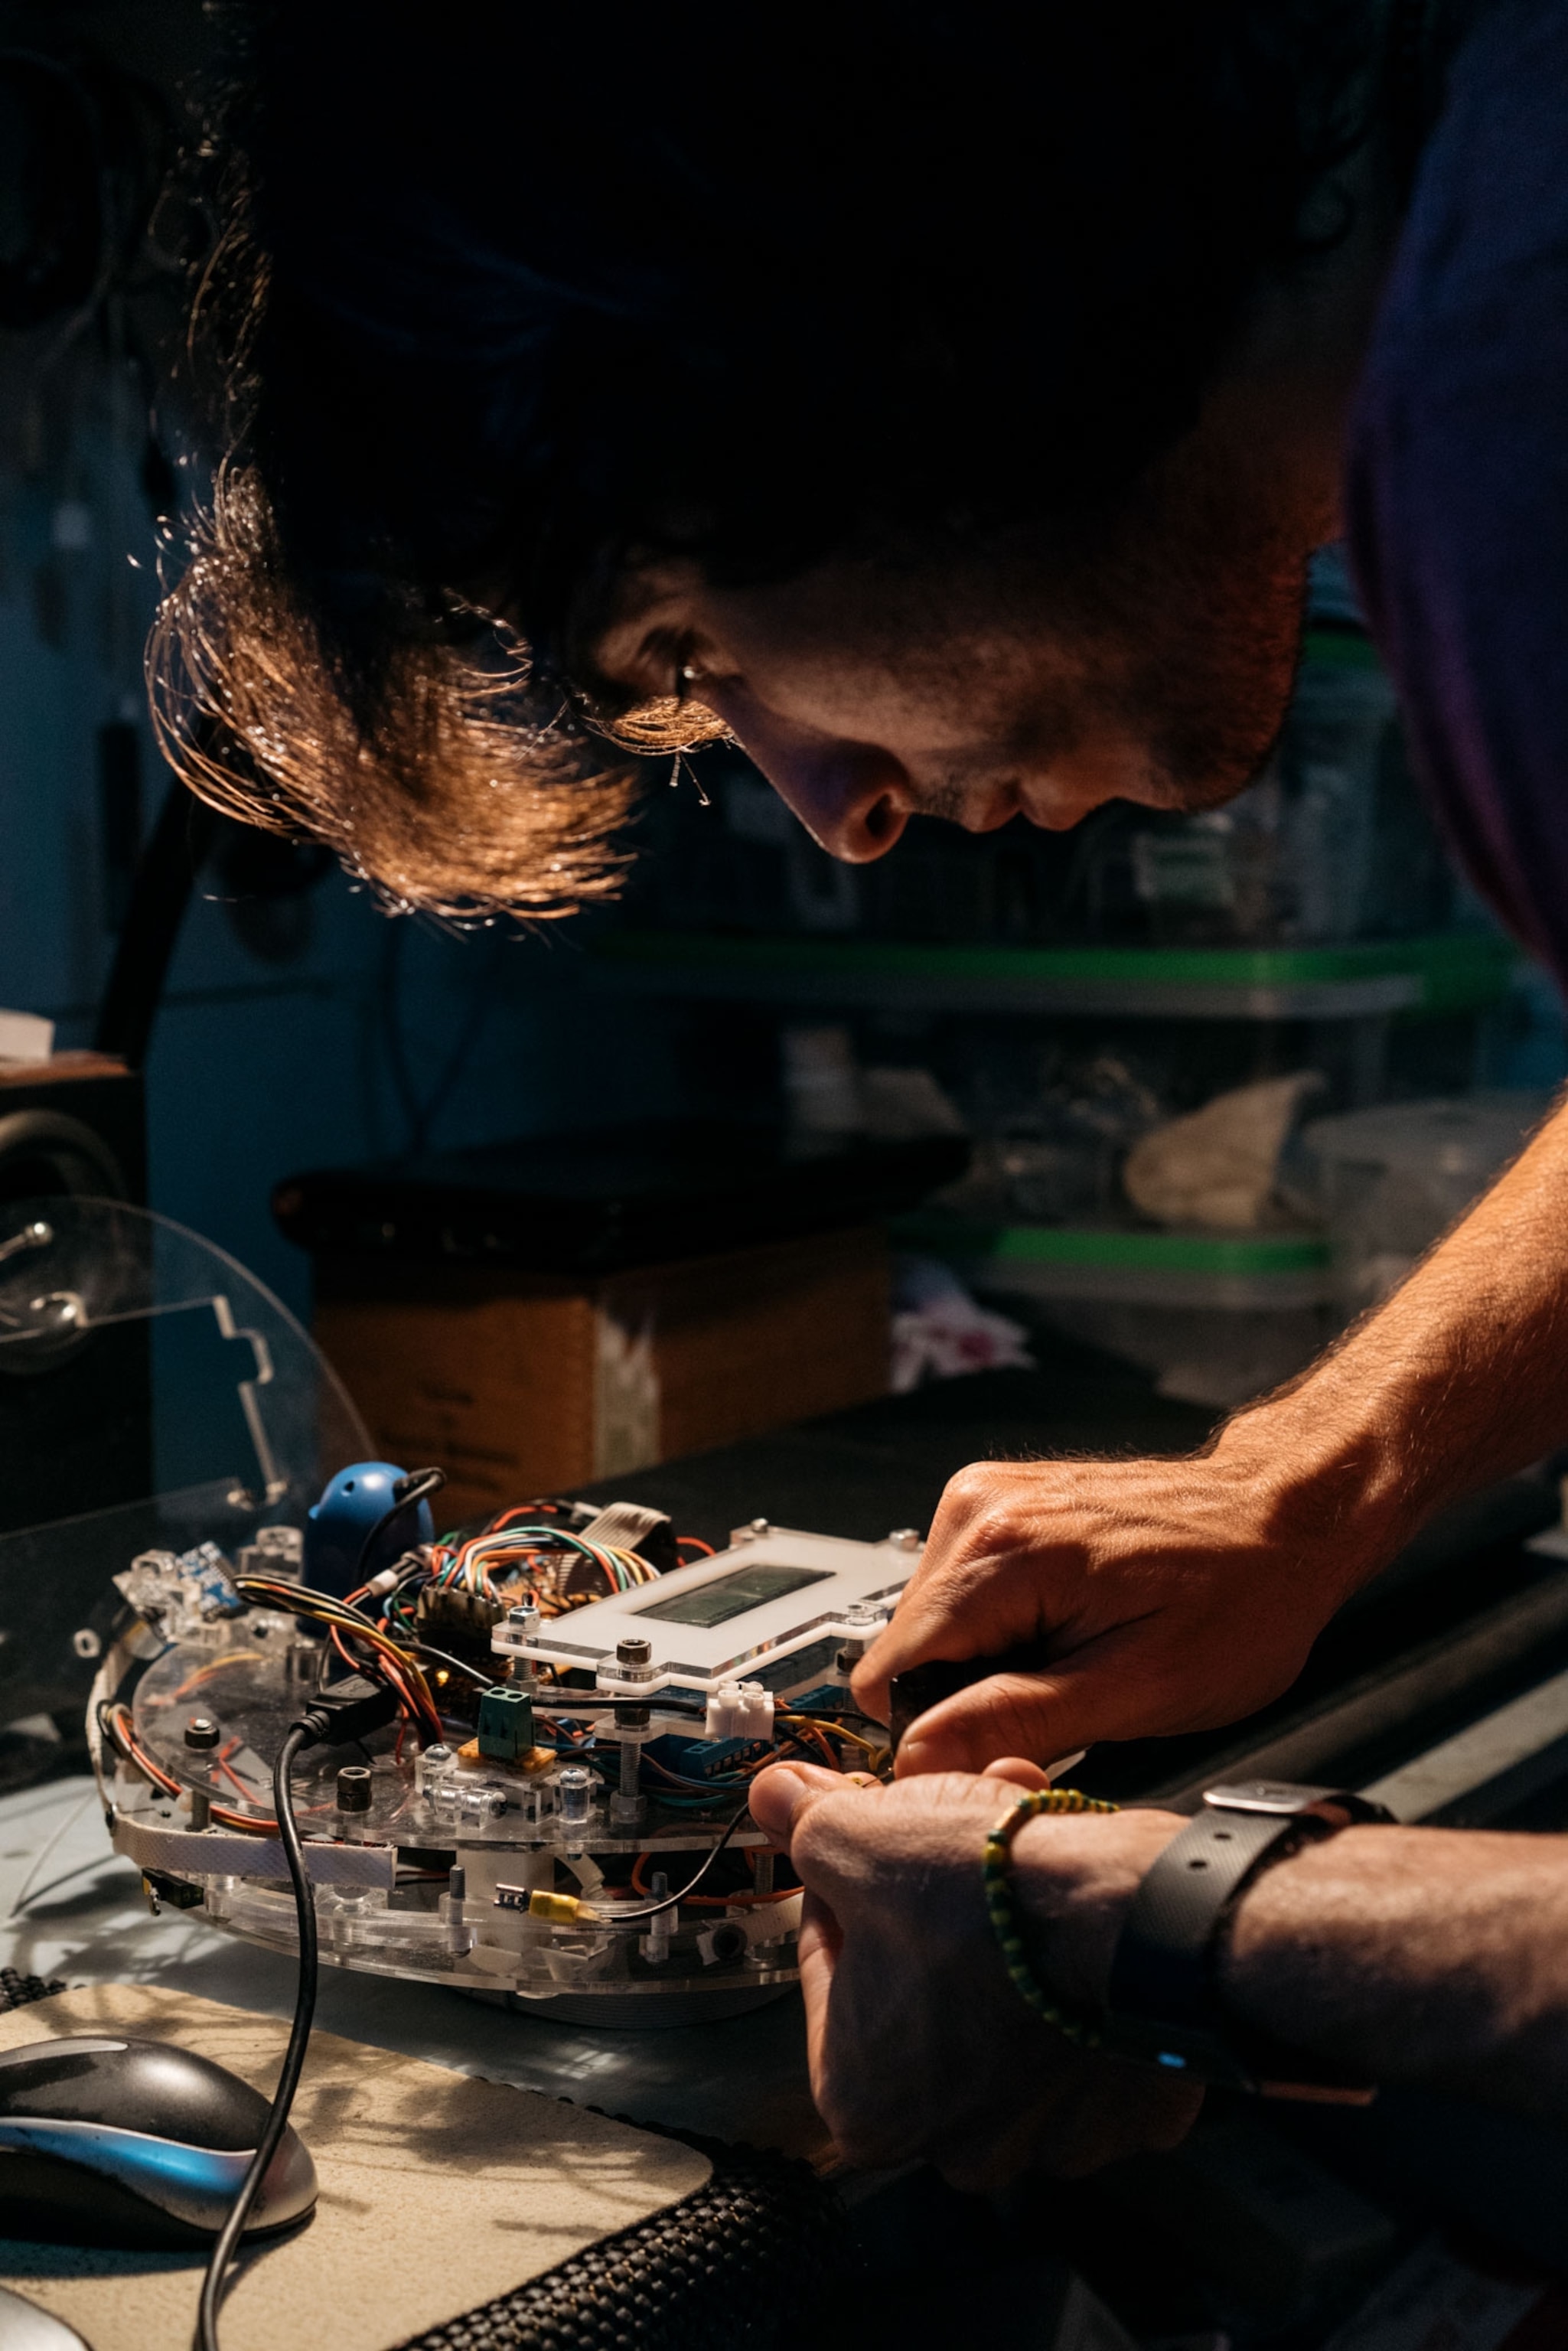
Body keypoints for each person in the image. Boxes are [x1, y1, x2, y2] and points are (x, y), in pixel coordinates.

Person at [166, 0, 1568, 2174]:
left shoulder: (1508, 405)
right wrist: (1321, 1476)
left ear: (823, 331)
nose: (834, 817)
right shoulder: (1488, 220)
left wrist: (1174, 1929)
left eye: (694, 656)